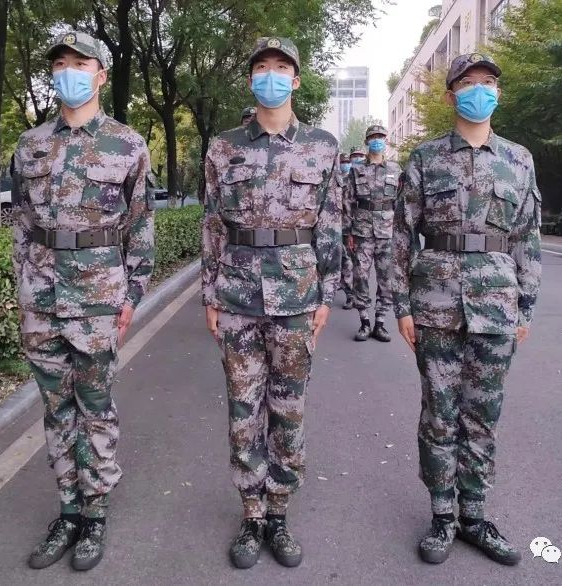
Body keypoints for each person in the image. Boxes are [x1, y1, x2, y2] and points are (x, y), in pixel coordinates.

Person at [10, 30, 155, 571]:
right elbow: (21, 222)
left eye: (80, 63)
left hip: (97, 298)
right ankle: (67, 511)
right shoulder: (30, 145)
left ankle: (95, 514)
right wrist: (22, 285)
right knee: (55, 410)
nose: (68, 71)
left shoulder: (127, 144)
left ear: (100, 75)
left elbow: (140, 225)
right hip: (42, 296)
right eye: (60, 64)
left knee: (95, 407)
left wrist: (133, 292)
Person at [392, 52, 542, 566]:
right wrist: (401, 306)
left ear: (498, 92)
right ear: (450, 94)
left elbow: (528, 238)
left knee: (483, 414)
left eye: (488, 82)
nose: (480, 89)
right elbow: (400, 237)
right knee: (440, 413)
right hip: (435, 304)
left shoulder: (518, 159)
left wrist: (525, 308)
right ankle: (442, 514)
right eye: (469, 82)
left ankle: (474, 514)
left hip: (497, 306)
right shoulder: (425, 158)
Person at [201, 36, 341, 570]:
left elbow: (330, 223)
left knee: (288, 408)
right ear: (251, 79)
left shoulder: (322, 146)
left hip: (297, 294)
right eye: (262, 67)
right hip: (237, 294)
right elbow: (213, 223)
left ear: (296, 80)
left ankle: (279, 512)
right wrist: (210, 293)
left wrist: (327, 294)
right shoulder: (224, 146)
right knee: (243, 408)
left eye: (282, 68)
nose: (271, 76)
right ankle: (251, 513)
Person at [345, 126, 401, 342]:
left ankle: (380, 322)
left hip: (388, 231)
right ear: (367, 141)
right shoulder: (357, 170)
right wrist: (348, 231)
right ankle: (364, 321)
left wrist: (401, 232)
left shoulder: (396, 169)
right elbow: (348, 201)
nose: (377, 140)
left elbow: (401, 202)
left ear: (386, 140)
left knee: (386, 278)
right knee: (360, 276)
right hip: (362, 231)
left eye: (381, 137)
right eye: (373, 137)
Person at [339, 153, 355, 310]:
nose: (345, 164)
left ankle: (352, 294)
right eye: (342, 162)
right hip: (334, 228)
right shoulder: (334, 179)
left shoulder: (353, 179)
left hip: (350, 228)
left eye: (347, 162)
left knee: (350, 262)